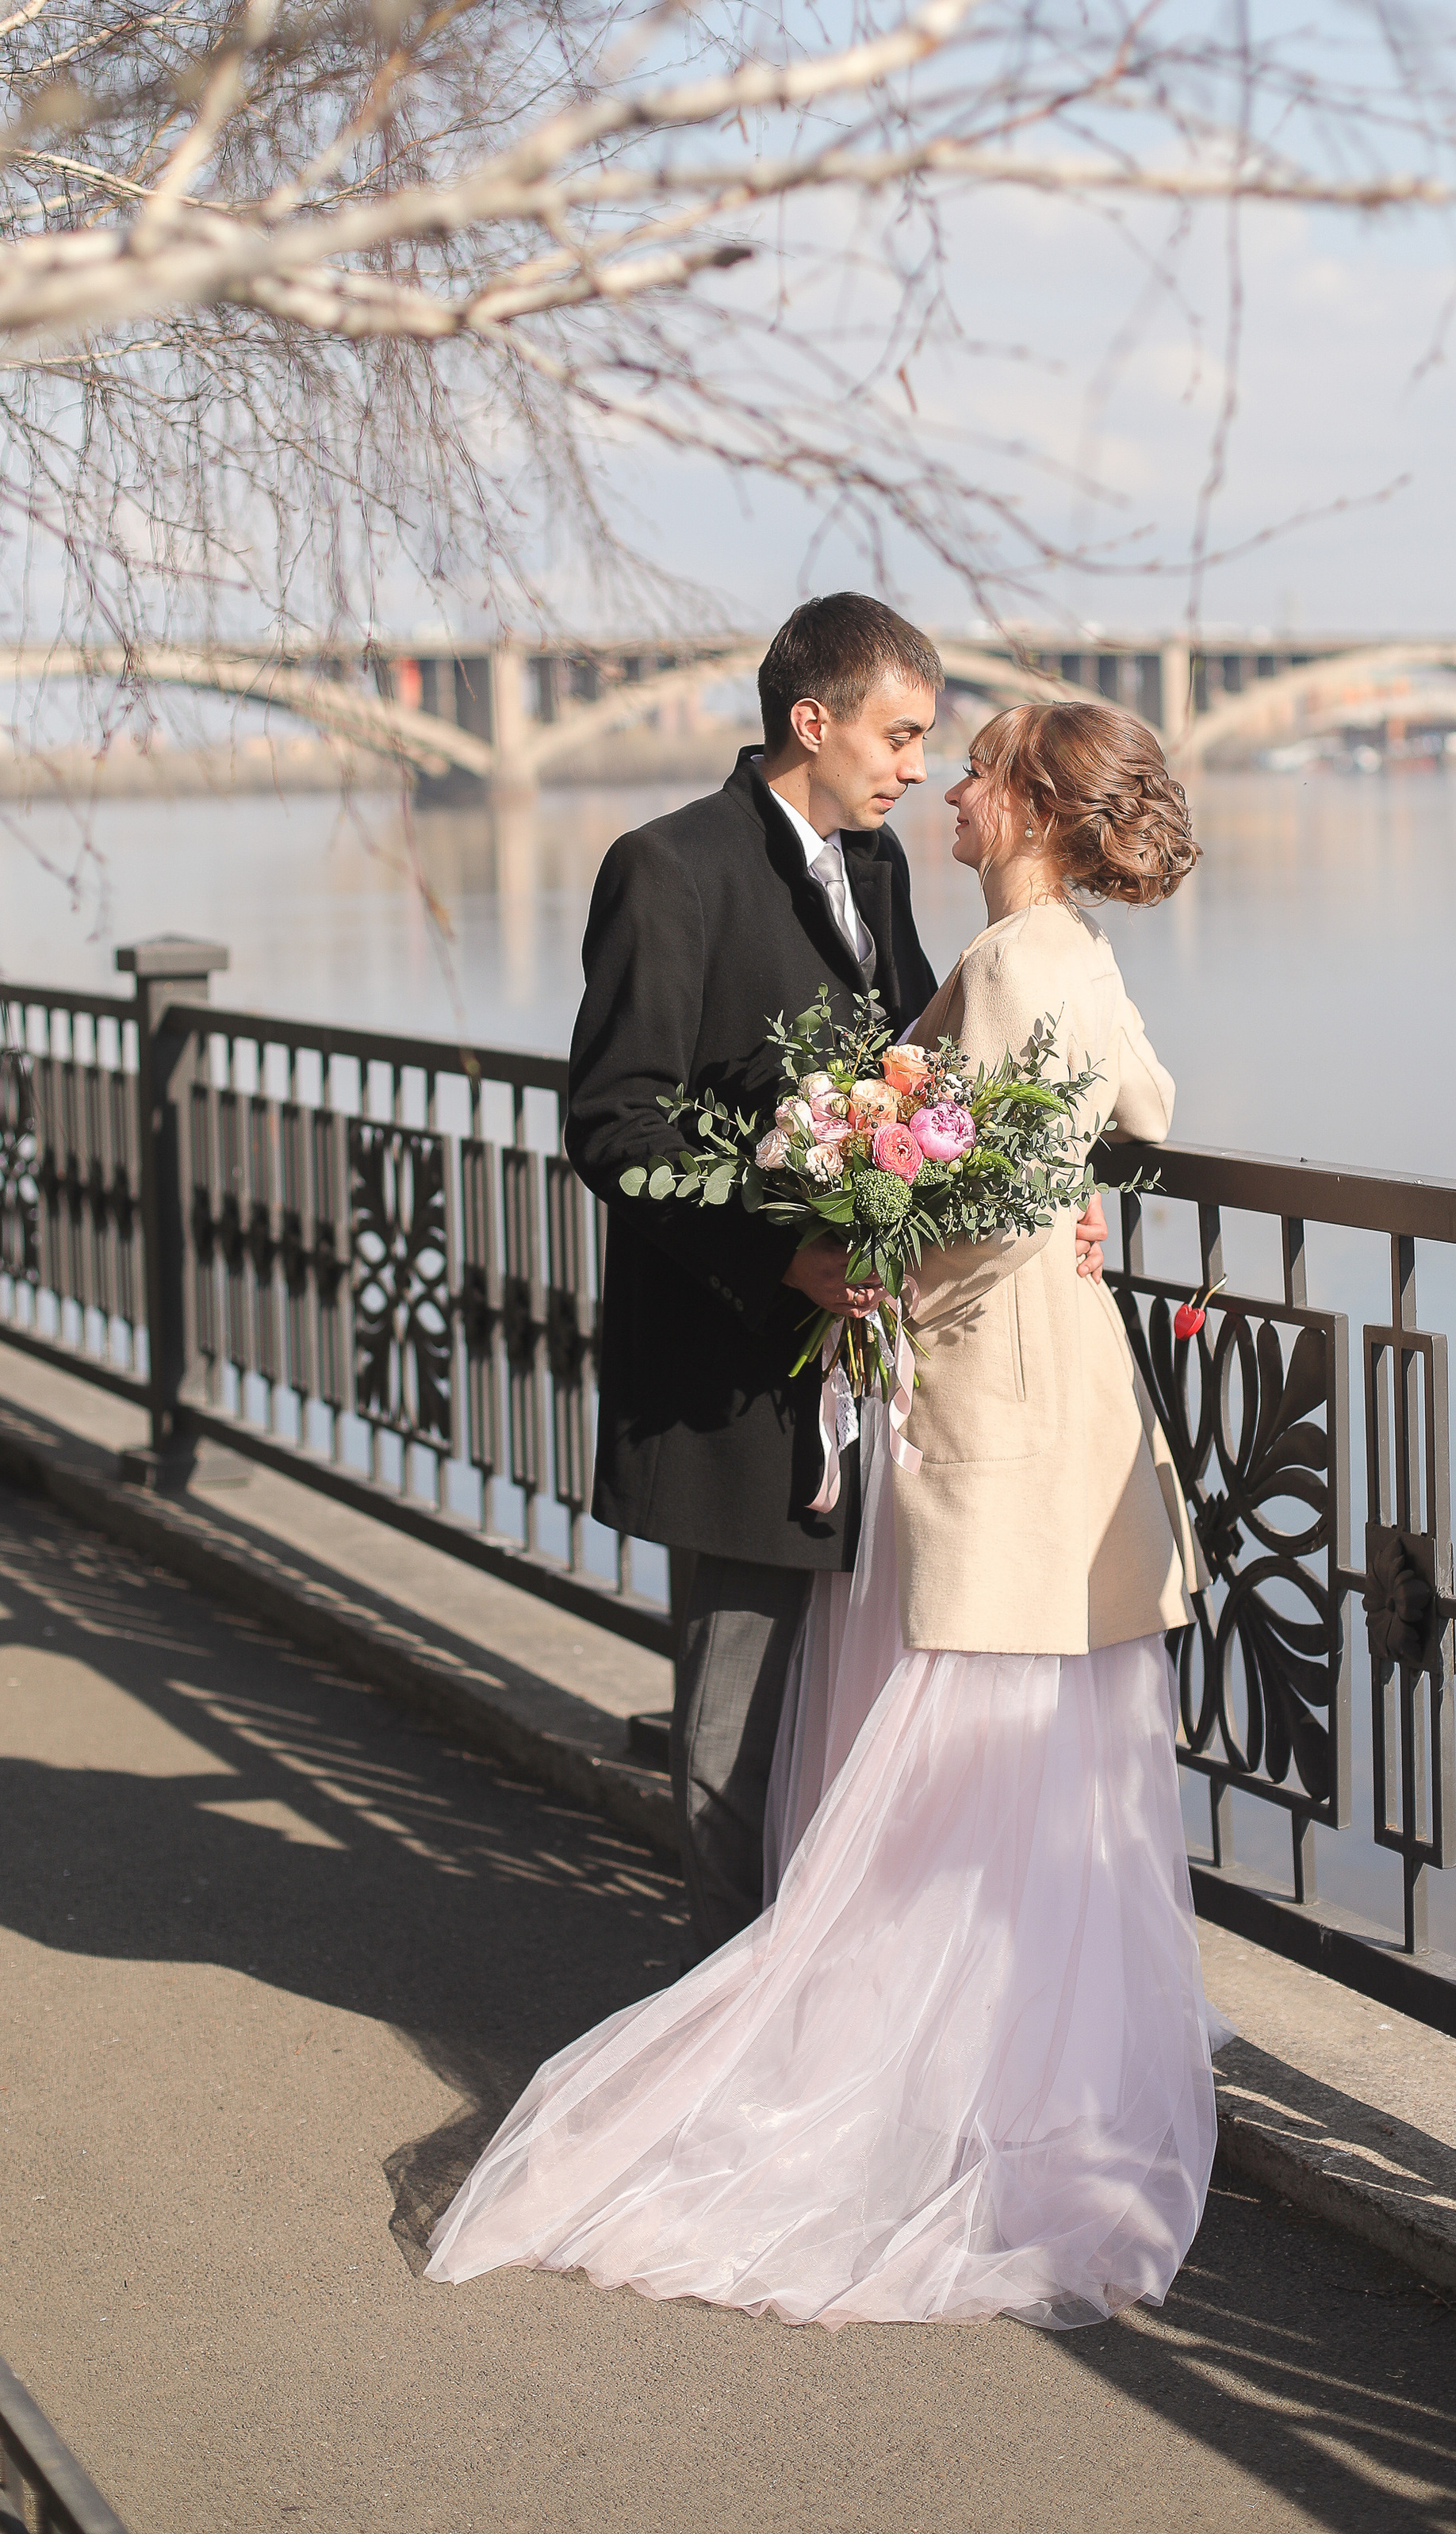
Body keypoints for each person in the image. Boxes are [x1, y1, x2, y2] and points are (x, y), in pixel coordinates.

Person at [429, 700, 1228, 2329]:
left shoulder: (1012, 960)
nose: (946, 783)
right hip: (1044, 1395)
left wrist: (890, 1246)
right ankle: (1012, 2077)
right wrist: (1071, 1193)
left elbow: (995, 1188)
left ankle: (918, 2072)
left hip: (988, 1398)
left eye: (977, 764)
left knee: (949, 1744)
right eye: (925, 742)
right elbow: (1138, 1113)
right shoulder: (1057, 950)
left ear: (1036, 810)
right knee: (1022, 1764)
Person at [561, 592, 943, 1955]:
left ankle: (815, 2004)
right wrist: (784, 1251)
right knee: (733, 1741)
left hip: (866, 1375)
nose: (915, 769)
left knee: (848, 1731)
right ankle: (719, 2036)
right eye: (899, 737)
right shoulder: (667, 867)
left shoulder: (881, 870)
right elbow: (616, 1125)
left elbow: (922, 1079)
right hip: (732, 1378)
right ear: (812, 720)